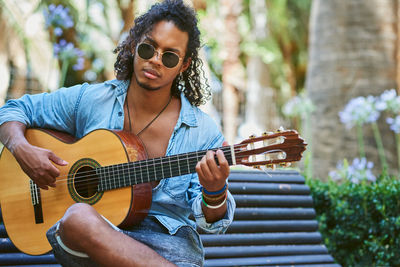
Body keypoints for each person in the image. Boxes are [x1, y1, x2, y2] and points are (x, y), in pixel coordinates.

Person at [0, 0, 236, 266]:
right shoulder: (91, 99)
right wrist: (22, 149)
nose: (155, 61)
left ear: (184, 65)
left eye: (169, 56)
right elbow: (13, 111)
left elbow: (214, 225)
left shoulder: (202, 132)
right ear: (135, 44)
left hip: (165, 245)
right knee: (77, 218)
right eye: (149, 48)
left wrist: (215, 192)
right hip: (91, 236)